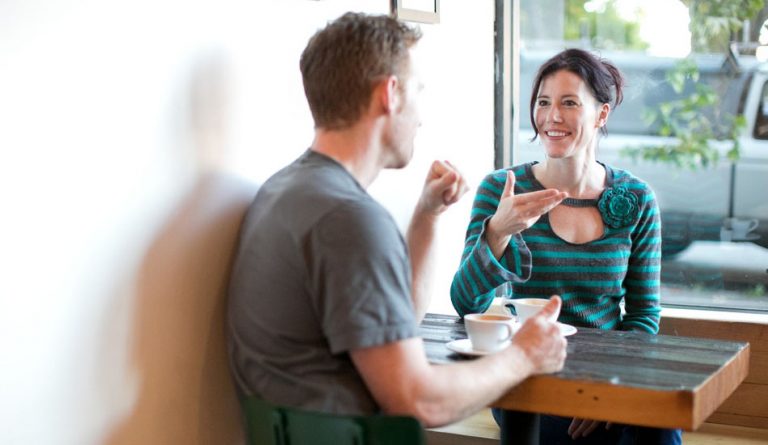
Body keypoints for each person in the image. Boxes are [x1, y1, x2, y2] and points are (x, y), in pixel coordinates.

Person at [226, 12, 567, 429]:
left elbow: (398, 319)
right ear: (390, 94)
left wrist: (427, 216)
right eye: (417, 91)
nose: (421, 115)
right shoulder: (348, 219)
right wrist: (524, 356)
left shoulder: (288, 190)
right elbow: (419, 402)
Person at [450, 48, 682, 443]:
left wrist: (606, 388)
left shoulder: (637, 198)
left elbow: (643, 315)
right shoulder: (502, 190)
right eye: (543, 102)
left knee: (657, 424)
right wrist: (498, 231)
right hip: (525, 379)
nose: (552, 117)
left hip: (606, 379)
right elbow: (465, 303)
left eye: (569, 103)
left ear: (602, 115)